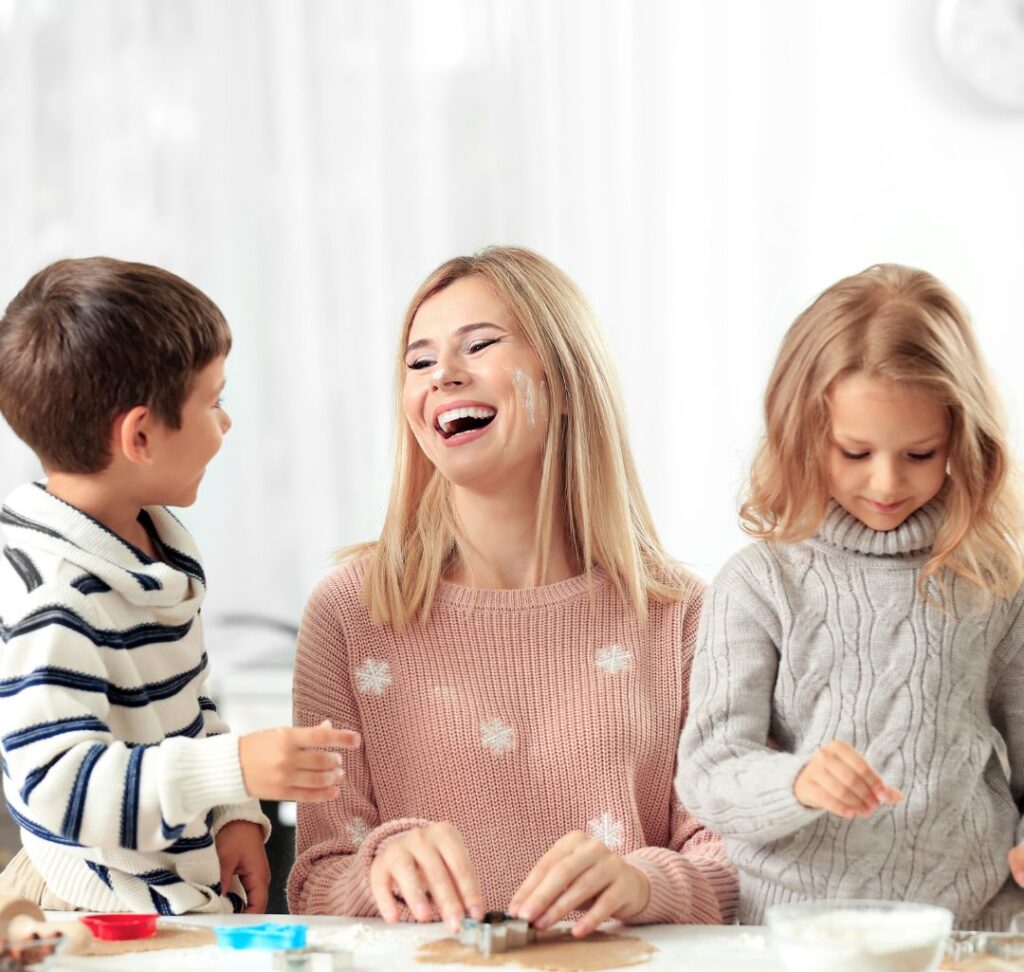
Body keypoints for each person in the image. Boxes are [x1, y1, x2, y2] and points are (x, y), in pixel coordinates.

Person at [288, 246, 736, 934]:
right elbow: (317, 879)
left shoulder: (680, 613)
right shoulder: (350, 611)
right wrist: (379, 867)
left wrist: (641, 884)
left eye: (479, 345)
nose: (443, 375)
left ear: (560, 380)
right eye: (419, 361)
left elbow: (732, 861)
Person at [0, 257, 359, 914]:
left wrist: (234, 813)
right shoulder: (54, 596)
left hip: (165, 888)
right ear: (140, 435)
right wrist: (235, 769)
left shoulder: (150, 551)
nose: (226, 424)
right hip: (91, 910)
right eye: (213, 401)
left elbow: (185, 712)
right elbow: (58, 786)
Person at [677, 264, 1024, 929]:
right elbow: (710, 774)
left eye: (920, 454)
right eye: (854, 451)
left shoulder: (994, 582)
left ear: (960, 437)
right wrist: (796, 783)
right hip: (796, 935)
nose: (887, 482)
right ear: (802, 431)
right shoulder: (758, 583)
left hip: (969, 929)